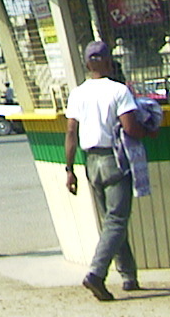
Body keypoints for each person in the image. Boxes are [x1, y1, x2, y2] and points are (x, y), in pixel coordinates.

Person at [64, 40, 157, 301]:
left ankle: (128, 276)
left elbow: (71, 132)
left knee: (111, 223)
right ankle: (96, 274)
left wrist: (69, 169)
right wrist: (149, 131)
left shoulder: (77, 93)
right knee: (117, 221)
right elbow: (130, 127)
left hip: (91, 163)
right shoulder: (119, 91)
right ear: (108, 62)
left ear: (86, 64)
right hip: (114, 160)